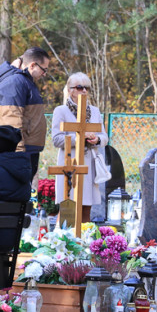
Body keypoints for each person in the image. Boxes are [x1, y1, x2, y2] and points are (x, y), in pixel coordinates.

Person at [50, 72, 108, 222]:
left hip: (88, 163)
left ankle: (85, 240)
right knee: (68, 209)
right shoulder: (61, 111)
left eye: (87, 88)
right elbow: (56, 139)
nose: (84, 91)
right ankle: (62, 241)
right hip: (69, 163)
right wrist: (80, 138)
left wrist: (96, 139)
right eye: (80, 87)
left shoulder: (94, 111)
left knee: (86, 209)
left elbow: (104, 137)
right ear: (70, 90)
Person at [0, 46, 50, 177]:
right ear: (33, 65)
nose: (45, 74)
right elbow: (12, 120)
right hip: (22, 153)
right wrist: (18, 153)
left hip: (29, 150)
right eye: (44, 69)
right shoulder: (15, 83)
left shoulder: (26, 82)